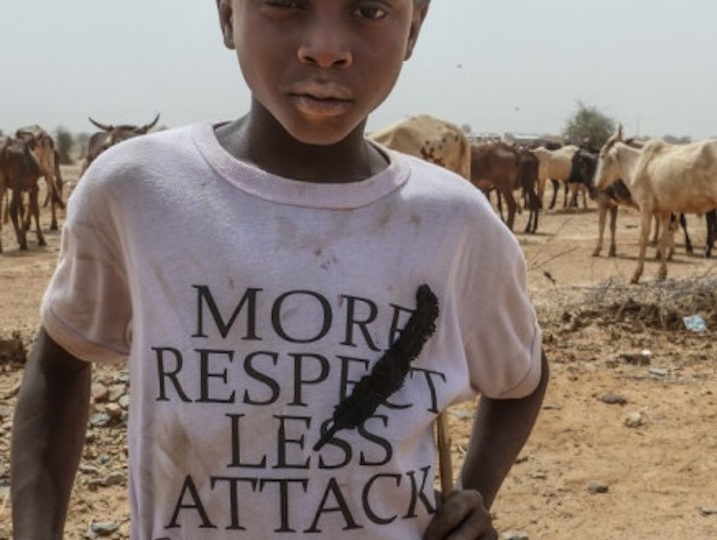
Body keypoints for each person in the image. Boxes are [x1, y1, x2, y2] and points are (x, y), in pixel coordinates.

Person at [12, 0, 548, 538]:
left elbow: (522, 376)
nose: (325, 47)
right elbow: (58, 366)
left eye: (367, 9)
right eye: (284, 3)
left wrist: (473, 495)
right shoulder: (138, 191)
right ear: (226, 13)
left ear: (415, 25)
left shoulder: (454, 222)